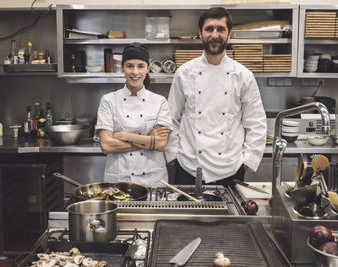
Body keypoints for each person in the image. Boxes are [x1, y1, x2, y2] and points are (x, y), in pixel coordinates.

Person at [166, 7, 267, 187]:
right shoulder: (184, 73)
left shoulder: (243, 76)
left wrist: (245, 163)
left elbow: (256, 123)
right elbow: (172, 118)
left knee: (229, 216)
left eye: (220, 29)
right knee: (187, 216)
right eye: (209, 29)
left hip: (230, 169)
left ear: (229, 34)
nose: (215, 34)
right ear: (200, 33)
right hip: (189, 167)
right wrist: (174, 156)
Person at [96, 42, 172, 187]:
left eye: (140, 66)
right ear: (123, 68)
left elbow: (161, 144)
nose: (135, 72)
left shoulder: (160, 102)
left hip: (153, 180)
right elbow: (106, 145)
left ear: (147, 68)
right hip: (119, 179)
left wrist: (123, 136)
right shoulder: (109, 100)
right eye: (130, 66)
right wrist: (149, 140)